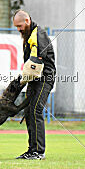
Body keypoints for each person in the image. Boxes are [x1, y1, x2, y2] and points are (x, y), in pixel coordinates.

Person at [13, 10, 56, 160]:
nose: (18, 29)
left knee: (36, 110)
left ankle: (39, 152)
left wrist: (21, 82)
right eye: (16, 27)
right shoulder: (29, 35)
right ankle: (31, 150)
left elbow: (36, 63)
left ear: (27, 21)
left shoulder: (38, 34)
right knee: (28, 112)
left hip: (44, 78)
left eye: (19, 26)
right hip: (34, 79)